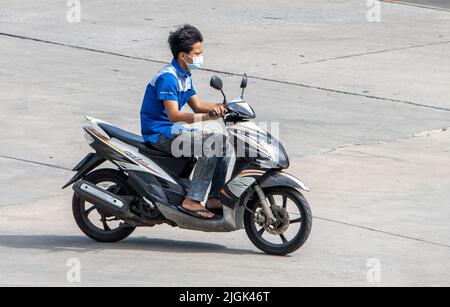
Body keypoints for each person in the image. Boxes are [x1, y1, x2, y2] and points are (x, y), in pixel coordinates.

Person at [140, 24, 229, 219]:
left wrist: (227, 107)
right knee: (212, 143)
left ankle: (214, 198)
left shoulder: (184, 75)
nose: (200, 56)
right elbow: (174, 115)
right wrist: (207, 117)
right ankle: (192, 200)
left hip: (172, 131)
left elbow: (197, 105)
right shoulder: (168, 78)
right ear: (183, 56)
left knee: (224, 144)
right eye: (197, 53)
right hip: (159, 134)